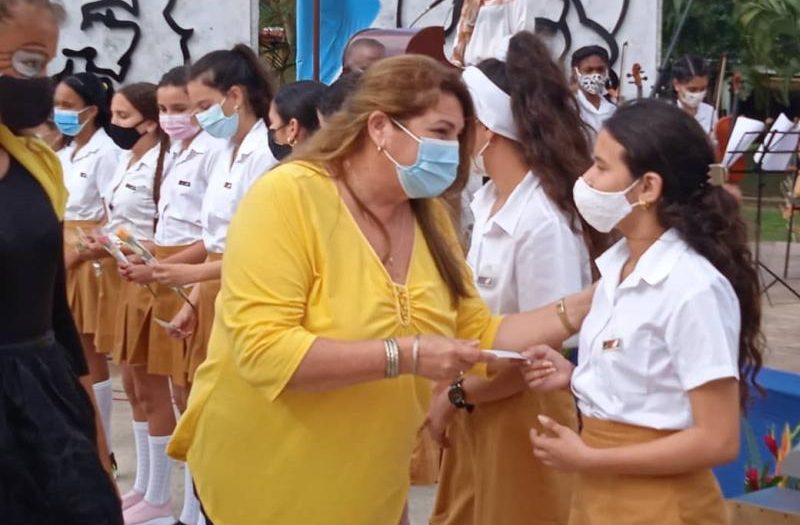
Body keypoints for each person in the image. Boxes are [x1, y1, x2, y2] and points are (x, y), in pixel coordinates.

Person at [167, 54, 596, 525]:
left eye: (457, 136)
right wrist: (405, 355)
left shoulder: (429, 215)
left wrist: (581, 307)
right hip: (268, 480)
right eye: (439, 133)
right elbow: (265, 352)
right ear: (379, 127)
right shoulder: (288, 197)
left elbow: (478, 331)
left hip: (368, 484)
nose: (453, 152)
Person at [522, 99, 763, 525]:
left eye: (600, 167)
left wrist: (588, 458)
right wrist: (575, 376)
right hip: (602, 495)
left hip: (659, 504)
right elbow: (649, 384)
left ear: (647, 188)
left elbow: (718, 439)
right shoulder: (618, 268)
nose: (587, 179)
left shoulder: (692, 288)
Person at [430, 31, 598, 525]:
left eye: (455, 126)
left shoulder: (542, 220)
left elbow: (540, 354)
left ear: (485, 129)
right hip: (480, 401)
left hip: (525, 413)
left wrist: (456, 396)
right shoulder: (487, 203)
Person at [0, 0, 121, 522]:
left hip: (45, 409)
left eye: (45, 65)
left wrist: (93, 436)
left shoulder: (37, 165)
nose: (42, 83)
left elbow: (52, 313)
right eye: (28, 62)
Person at [123, 64, 225, 525]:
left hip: (188, 273)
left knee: (190, 393)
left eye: (182, 108)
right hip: (162, 268)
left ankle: (196, 507)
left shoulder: (212, 152)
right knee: (149, 383)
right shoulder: (176, 150)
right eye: (163, 110)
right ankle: (160, 493)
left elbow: (211, 233)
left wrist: (171, 269)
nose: (169, 118)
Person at [152, 44, 278, 401]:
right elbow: (215, 240)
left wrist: (189, 276)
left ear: (234, 96)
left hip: (248, 290)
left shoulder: (265, 154)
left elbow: (260, 251)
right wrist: (194, 299)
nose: (199, 118)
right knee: (196, 397)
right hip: (214, 285)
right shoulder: (223, 150)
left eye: (204, 107)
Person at [103, 83, 178, 524]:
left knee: (155, 389)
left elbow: (166, 227)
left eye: (124, 117)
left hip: (157, 276)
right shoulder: (129, 158)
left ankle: (164, 498)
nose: (116, 125)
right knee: (132, 386)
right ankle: (146, 488)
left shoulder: (163, 163)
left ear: (149, 122)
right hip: (126, 273)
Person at [54, 71, 122, 474]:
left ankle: (105, 449)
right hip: (57, 252)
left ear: (91, 110)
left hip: (87, 261)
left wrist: (77, 253)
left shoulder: (106, 153)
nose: (59, 113)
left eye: (67, 105)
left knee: (91, 357)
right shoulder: (62, 154)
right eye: (56, 105)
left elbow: (113, 216)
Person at [267, 79, 325, 160]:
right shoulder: (343, 165)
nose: (270, 128)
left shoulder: (286, 172)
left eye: (272, 122)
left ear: (293, 128)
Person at [572, 45, 616, 142]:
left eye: (600, 70)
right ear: (576, 72)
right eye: (589, 70)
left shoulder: (612, 109)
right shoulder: (569, 105)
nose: (595, 75)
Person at [672, 55, 717, 141]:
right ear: (676, 85)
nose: (698, 94)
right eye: (692, 89)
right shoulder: (666, 113)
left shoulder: (710, 112)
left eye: (703, 89)